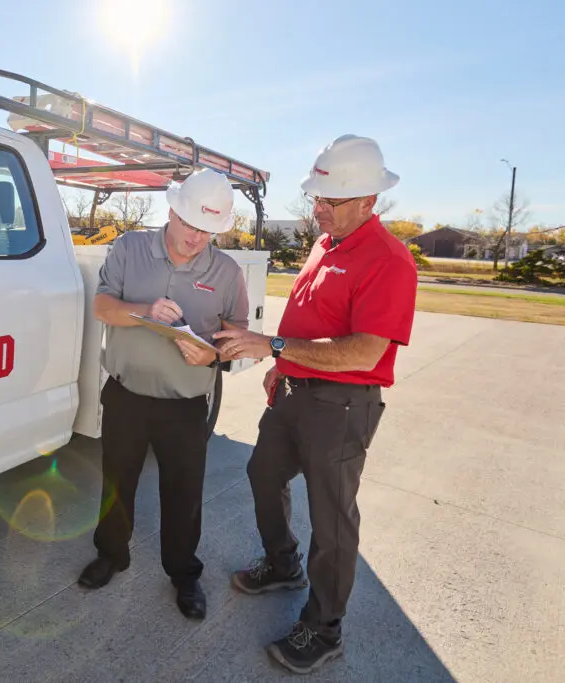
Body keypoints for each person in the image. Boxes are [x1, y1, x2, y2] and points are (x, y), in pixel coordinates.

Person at [213, 134, 418, 674]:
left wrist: (272, 346)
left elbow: (364, 349)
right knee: (262, 473)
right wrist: (284, 365)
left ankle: (324, 628)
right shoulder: (324, 244)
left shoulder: (390, 261)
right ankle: (283, 565)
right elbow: (314, 322)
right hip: (295, 394)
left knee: (331, 520)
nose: (318, 209)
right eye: (316, 199)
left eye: (331, 201)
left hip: (343, 406)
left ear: (369, 201)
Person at [77, 168, 250, 620]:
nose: (197, 238)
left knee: (183, 494)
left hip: (185, 407)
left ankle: (184, 573)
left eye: (209, 230)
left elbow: (238, 334)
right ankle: (112, 554)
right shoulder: (130, 247)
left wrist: (213, 357)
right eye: (190, 224)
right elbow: (101, 306)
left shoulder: (228, 272)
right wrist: (144, 312)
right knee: (117, 483)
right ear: (171, 210)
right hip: (126, 395)